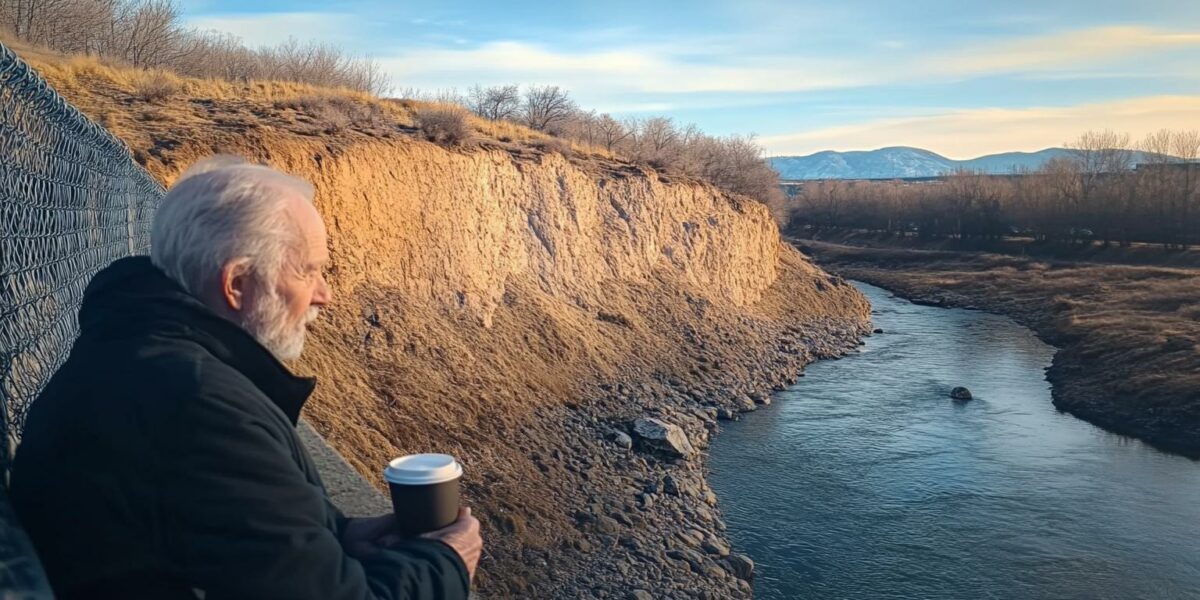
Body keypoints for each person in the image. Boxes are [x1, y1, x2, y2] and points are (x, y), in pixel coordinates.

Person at [10, 156, 482, 599]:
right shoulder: (199, 408)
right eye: (309, 271)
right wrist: (446, 561)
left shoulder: (131, 355)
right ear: (237, 284)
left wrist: (338, 534)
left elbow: (227, 535)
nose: (325, 295)